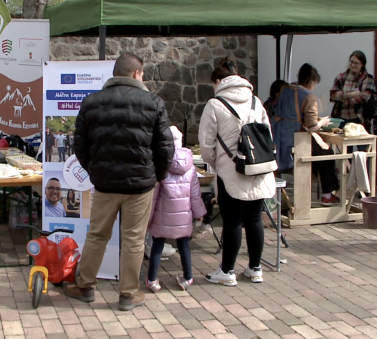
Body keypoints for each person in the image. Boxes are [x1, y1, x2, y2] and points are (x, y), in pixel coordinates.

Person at [66, 52, 174, 311]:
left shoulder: (91, 102)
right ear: (137, 74)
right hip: (140, 186)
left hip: (105, 184)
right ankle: (128, 294)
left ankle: (85, 286)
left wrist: (94, 170)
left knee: (97, 235)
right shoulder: (153, 102)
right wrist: (156, 176)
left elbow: (79, 144)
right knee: (134, 240)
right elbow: (165, 148)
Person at [199, 58, 275, 286]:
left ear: (219, 81)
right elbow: (266, 134)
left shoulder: (215, 104)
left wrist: (217, 163)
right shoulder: (255, 101)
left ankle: (227, 270)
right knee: (254, 219)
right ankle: (255, 268)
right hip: (258, 168)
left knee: (232, 221)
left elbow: (206, 145)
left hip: (230, 170)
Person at [146, 126, 206, 292]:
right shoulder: (191, 167)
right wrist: (200, 213)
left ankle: (152, 280)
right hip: (184, 216)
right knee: (183, 245)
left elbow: (154, 196)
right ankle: (187, 278)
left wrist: (147, 217)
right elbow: (195, 194)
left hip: (162, 216)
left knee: (157, 244)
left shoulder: (160, 166)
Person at [273, 64, 339, 206]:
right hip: (294, 140)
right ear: (312, 81)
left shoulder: (285, 89)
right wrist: (324, 122)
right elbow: (312, 126)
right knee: (327, 153)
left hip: (278, 138)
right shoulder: (308, 96)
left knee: (318, 152)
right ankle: (327, 195)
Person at [329, 51, 377, 130]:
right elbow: (333, 95)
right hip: (341, 119)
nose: (353, 65)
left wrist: (343, 99)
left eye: (356, 63)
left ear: (362, 64)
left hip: (359, 119)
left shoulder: (368, 78)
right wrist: (350, 95)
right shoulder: (341, 77)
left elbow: (364, 97)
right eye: (351, 62)